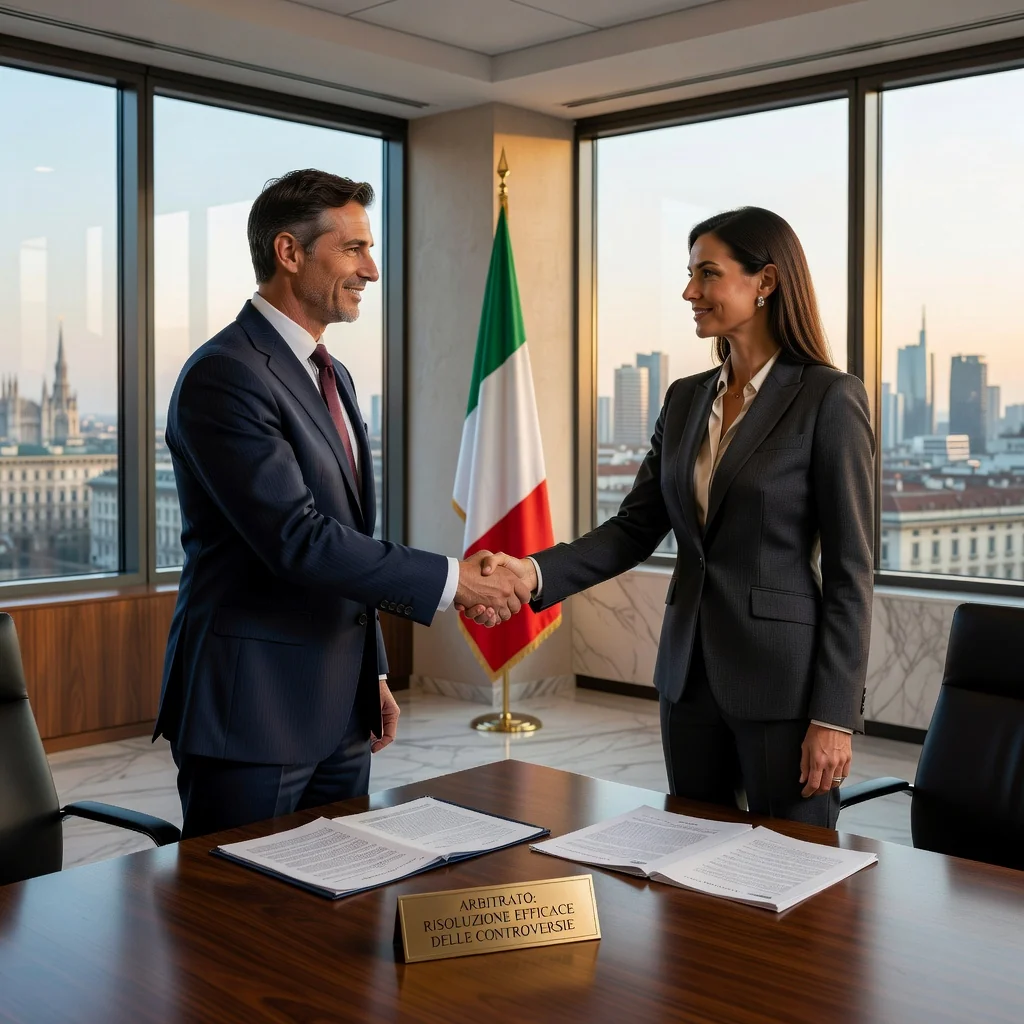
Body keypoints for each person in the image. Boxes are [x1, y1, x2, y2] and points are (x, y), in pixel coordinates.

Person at [470, 207, 873, 827]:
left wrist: (834, 714)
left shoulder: (828, 397)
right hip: (687, 678)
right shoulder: (686, 398)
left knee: (794, 872)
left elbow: (851, 571)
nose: (690, 292)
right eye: (690, 274)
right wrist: (529, 573)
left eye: (707, 274)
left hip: (783, 685)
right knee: (688, 858)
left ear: (764, 282)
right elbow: (634, 528)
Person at [155, 168, 528, 839]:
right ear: (289, 253)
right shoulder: (226, 375)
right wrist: (453, 580)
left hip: (339, 709)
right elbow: (297, 538)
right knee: (242, 922)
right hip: (253, 712)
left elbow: (347, 532)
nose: (372, 270)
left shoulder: (335, 374)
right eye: (353, 249)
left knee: (337, 914)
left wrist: (373, 672)